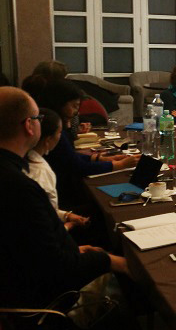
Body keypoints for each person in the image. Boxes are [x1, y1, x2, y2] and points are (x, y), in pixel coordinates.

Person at [0, 86, 128, 312]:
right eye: (38, 118)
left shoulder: (15, 173)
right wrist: (109, 261)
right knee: (131, 278)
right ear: (29, 125)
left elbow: (32, 244)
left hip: (24, 280)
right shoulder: (19, 186)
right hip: (43, 300)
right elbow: (55, 267)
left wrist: (74, 249)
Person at [38, 79, 138, 210]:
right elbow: (78, 167)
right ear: (59, 103)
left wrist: (99, 158)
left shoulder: (52, 122)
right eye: (74, 106)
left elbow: (69, 156)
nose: (77, 112)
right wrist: (120, 165)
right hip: (64, 196)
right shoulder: (54, 131)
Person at [26, 108, 90, 231]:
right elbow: (42, 229)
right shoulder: (40, 173)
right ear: (48, 140)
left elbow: (46, 209)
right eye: (60, 132)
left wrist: (66, 215)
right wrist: (67, 226)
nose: (61, 137)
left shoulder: (29, 159)